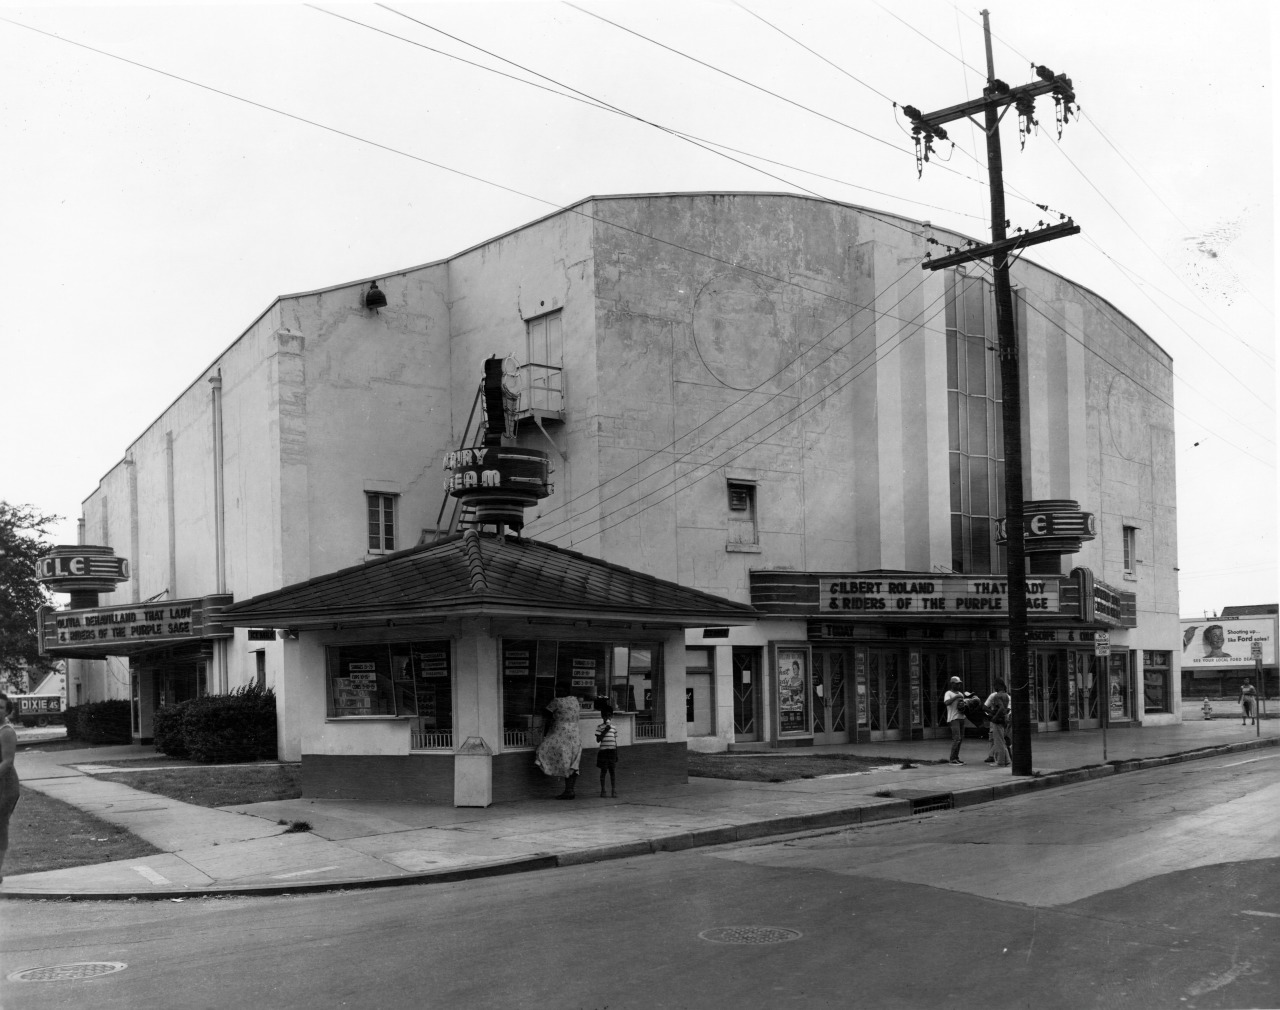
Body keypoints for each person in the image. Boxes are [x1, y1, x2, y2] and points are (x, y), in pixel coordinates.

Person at [535, 691, 582, 799]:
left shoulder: (556, 701)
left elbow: (546, 713)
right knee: (573, 763)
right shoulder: (575, 700)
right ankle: (570, 790)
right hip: (575, 735)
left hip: (561, 734)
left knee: (543, 750)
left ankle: (568, 791)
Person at [0, 693, 18, 884]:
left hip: (6, 786)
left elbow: (7, 762)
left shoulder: (6, 732)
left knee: (0, 826)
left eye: (1, 707)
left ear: (7, 711)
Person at [983, 680, 1011, 767]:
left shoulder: (997, 696)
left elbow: (1001, 708)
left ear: (999, 686)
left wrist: (994, 717)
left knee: (998, 741)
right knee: (1002, 740)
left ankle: (1000, 761)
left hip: (997, 720)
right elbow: (1006, 709)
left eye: (995, 686)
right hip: (1003, 720)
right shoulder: (1006, 695)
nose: (994, 688)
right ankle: (1006, 760)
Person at [594, 702, 619, 797]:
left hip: (612, 751)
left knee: (612, 771)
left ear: (612, 716)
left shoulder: (614, 728)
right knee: (603, 771)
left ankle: (613, 790)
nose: (607, 718)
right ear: (602, 717)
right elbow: (598, 740)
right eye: (605, 716)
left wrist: (616, 753)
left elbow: (615, 741)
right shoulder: (600, 727)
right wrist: (605, 730)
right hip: (603, 752)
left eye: (609, 716)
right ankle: (603, 790)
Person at [943, 676, 968, 765]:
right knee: (956, 738)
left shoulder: (960, 693)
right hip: (953, 718)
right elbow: (946, 703)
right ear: (952, 684)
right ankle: (952, 759)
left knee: (960, 739)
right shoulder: (948, 693)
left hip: (961, 717)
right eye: (956, 684)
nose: (958, 686)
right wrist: (956, 697)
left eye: (959, 684)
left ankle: (956, 757)